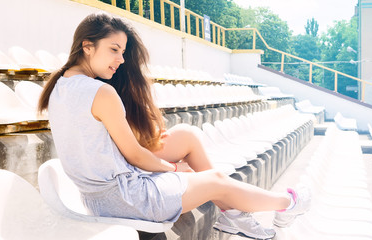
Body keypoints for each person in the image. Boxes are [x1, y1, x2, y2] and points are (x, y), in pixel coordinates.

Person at [38, 12, 310, 239]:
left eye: (122, 51)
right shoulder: (100, 92)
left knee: (184, 135)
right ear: (87, 46)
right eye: (113, 50)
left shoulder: (59, 85)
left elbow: (101, 144)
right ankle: (289, 203)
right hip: (126, 198)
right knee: (215, 180)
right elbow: (133, 155)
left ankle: (234, 215)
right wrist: (172, 168)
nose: (121, 59)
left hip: (103, 195)